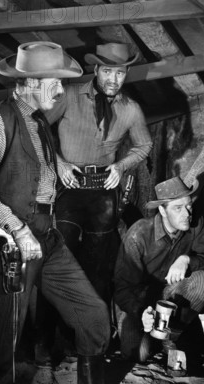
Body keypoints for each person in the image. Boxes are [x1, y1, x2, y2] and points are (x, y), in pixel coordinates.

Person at [0, 41, 140, 384]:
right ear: (28, 82)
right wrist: (16, 230)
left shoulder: (40, 121)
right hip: (15, 246)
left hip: (47, 238)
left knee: (94, 314)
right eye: (54, 83)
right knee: (6, 345)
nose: (62, 91)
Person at [45, 42, 153, 299]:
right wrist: (59, 163)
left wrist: (120, 166)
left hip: (104, 187)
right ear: (96, 69)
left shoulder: (131, 109)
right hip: (68, 184)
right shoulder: (69, 95)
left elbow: (145, 145)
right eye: (108, 71)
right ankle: (53, 325)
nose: (114, 79)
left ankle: (93, 322)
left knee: (99, 257)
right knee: (62, 251)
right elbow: (39, 128)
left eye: (120, 73)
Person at [114, 176, 204, 362]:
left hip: (172, 296)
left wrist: (187, 260)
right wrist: (140, 312)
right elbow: (122, 289)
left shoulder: (195, 224)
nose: (187, 213)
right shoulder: (139, 235)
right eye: (178, 208)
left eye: (188, 205)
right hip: (140, 301)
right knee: (138, 354)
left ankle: (172, 336)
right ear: (162, 210)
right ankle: (153, 337)